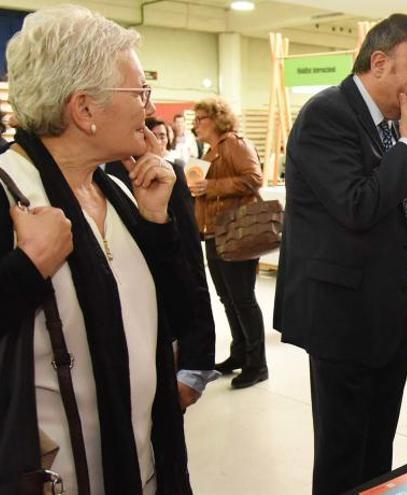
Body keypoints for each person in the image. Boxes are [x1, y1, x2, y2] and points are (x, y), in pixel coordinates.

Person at [0, 5, 193, 493]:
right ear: (84, 109)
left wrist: (156, 225)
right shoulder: (9, 195)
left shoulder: (120, 192)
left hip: (140, 467)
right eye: (139, 92)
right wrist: (26, 269)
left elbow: (175, 314)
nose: (149, 109)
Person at [272, 14, 407, 495]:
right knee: (344, 455)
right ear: (380, 63)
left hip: (388, 308)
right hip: (345, 318)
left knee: (377, 450)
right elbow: (357, 205)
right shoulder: (328, 114)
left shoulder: (385, 122)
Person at [106, 116, 219, 408]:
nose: (150, 106)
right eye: (139, 93)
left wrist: (195, 365)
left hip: (162, 350)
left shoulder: (161, 173)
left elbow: (190, 267)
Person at [188, 97, 268, 389]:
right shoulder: (211, 151)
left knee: (243, 299)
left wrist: (211, 187)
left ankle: (257, 364)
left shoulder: (234, 144)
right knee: (228, 298)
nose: (195, 124)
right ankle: (240, 354)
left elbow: (254, 178)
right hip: (215, 232)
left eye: (200, 119)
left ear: (217, 119)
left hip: (236, 230)